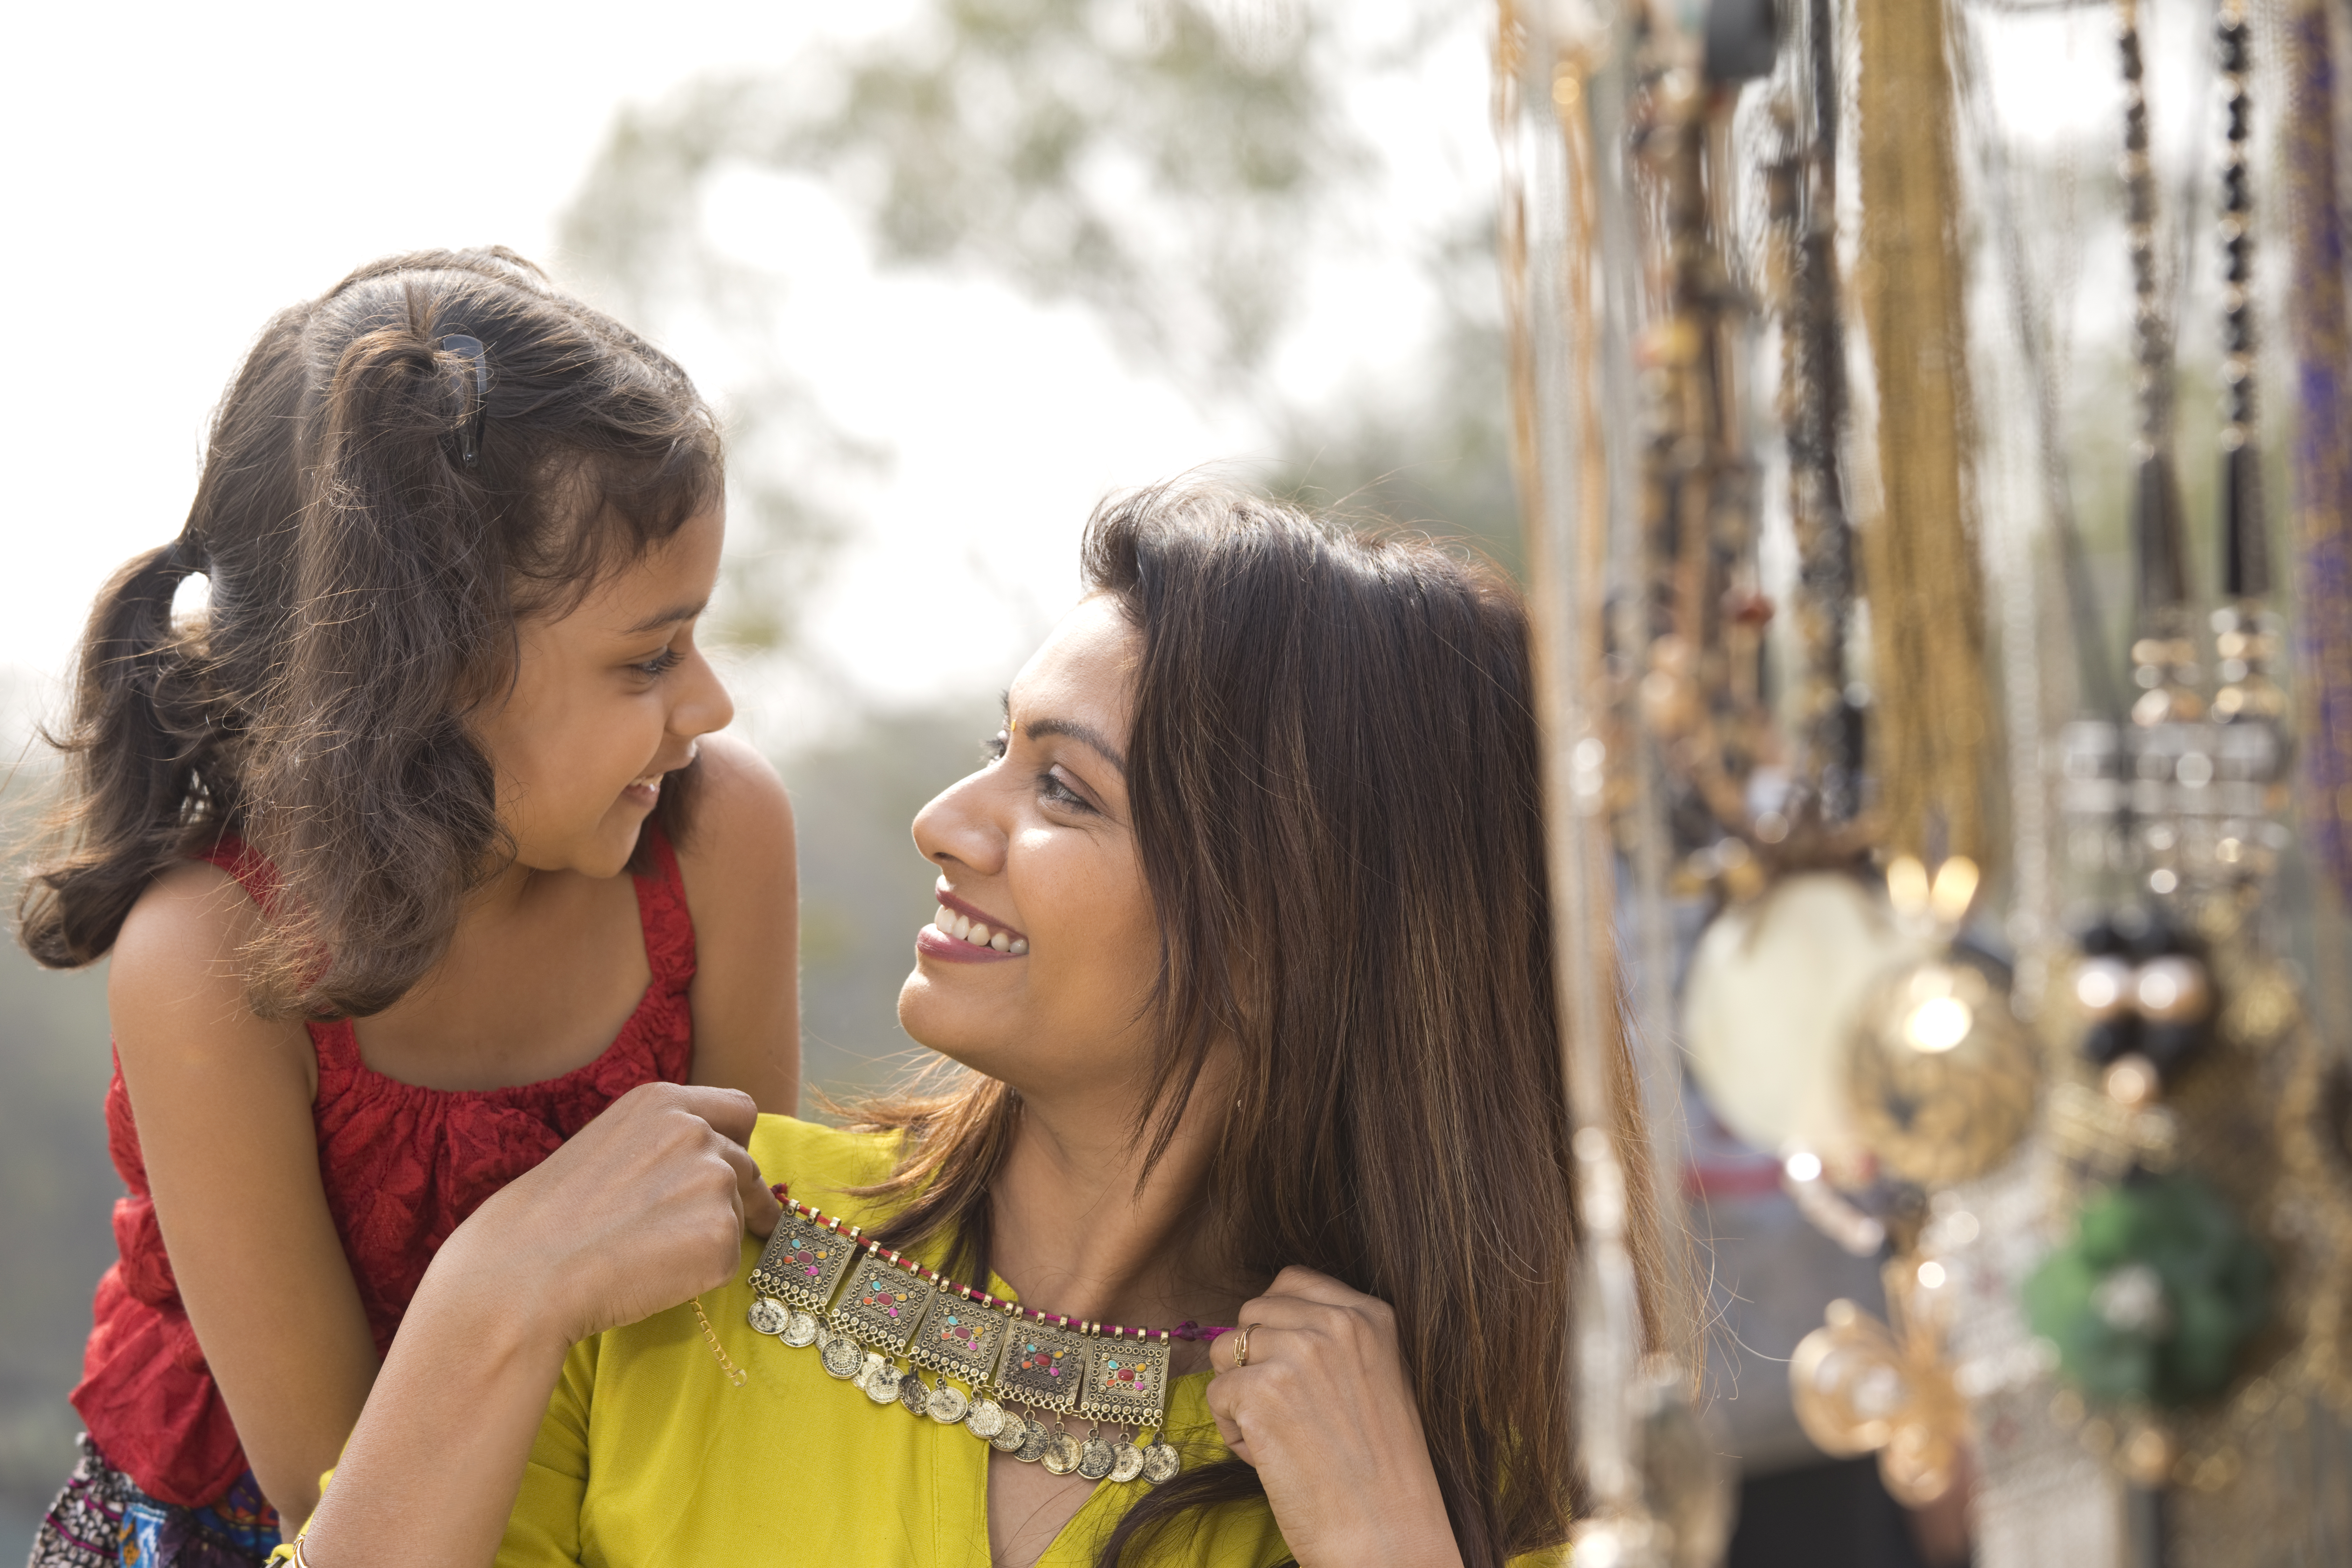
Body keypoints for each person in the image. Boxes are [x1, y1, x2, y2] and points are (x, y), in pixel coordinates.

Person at [270, 483, 1675, 1568]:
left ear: (1287, 926)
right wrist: (482, 1304)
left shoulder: (1451, 1468)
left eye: (1063, 790)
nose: (948, 824)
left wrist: (1386, 1547)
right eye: (994, 749)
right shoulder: (659, 1258)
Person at [19, 250, 801, 1568]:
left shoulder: (716, 837)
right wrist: (519, 1275)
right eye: (649, 657)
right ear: (426, 671)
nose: (709, 704)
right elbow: (334, 1498)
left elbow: (749, 1311)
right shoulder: (209, 957)